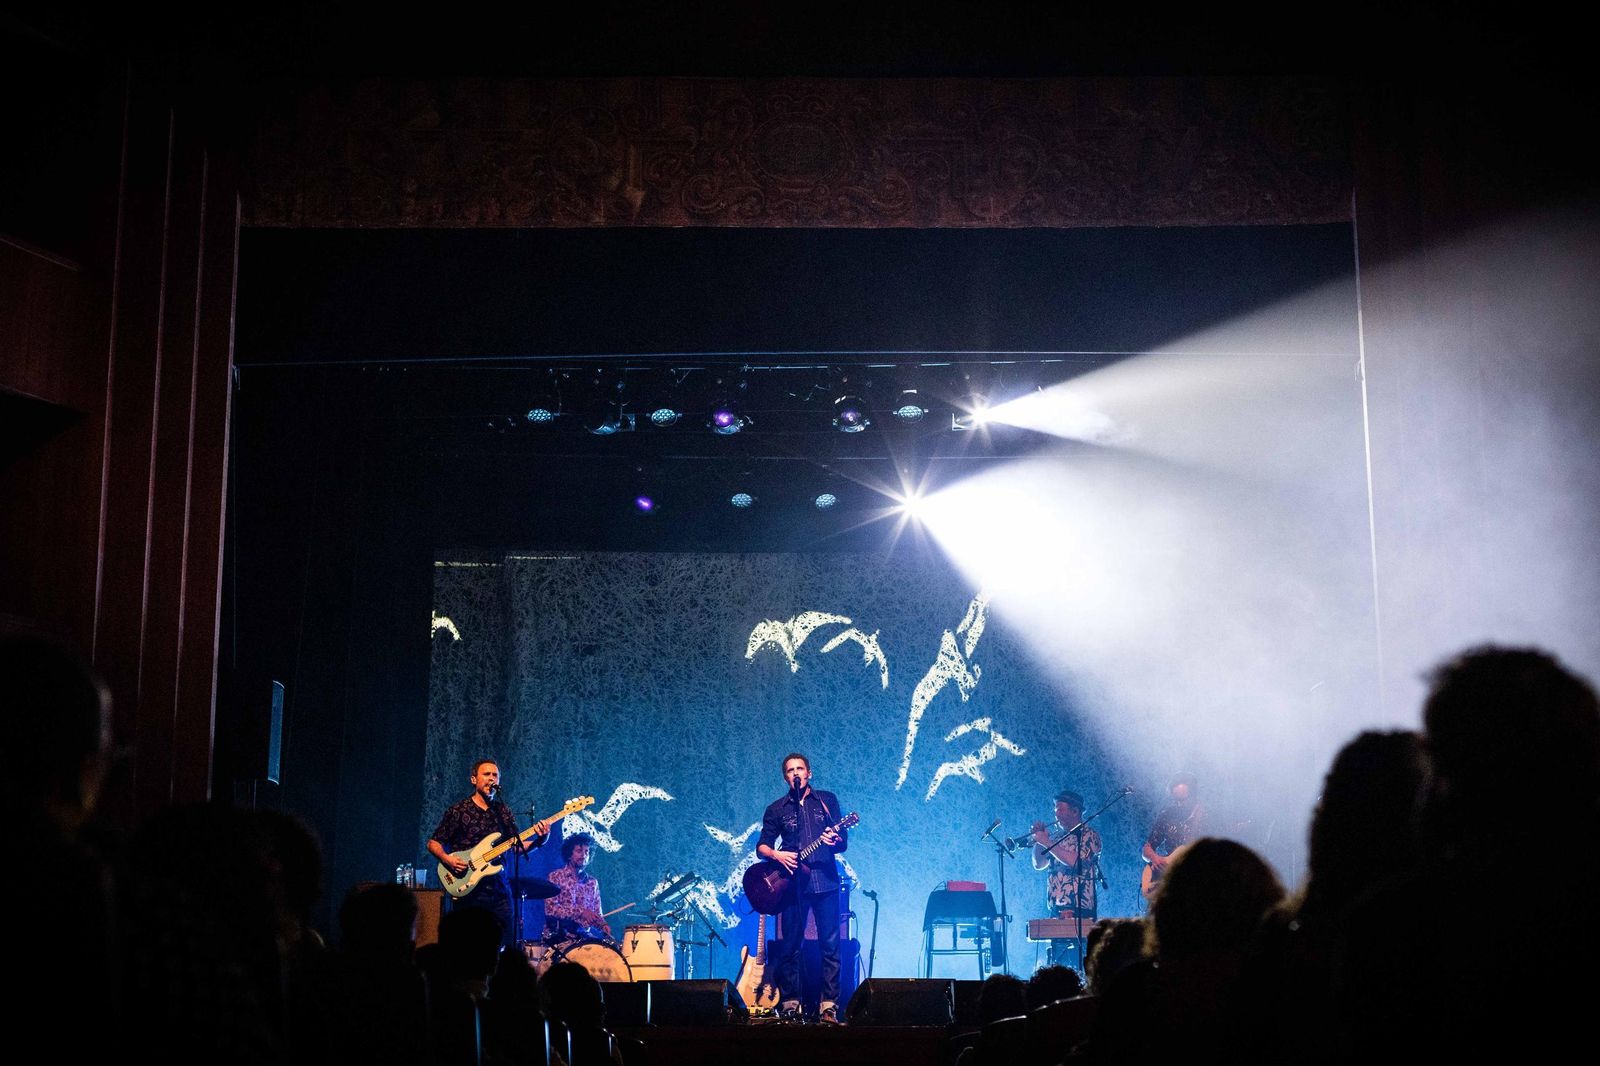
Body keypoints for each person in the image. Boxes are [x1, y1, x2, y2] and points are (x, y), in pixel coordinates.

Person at [756, 752, 848, 1024]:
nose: (796, 773)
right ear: (785, 777)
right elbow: (762, 846)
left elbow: (842, 841)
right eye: (790, 770)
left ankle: (828, 1006)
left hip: (827, 883)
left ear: (809, 773)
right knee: (790, 947)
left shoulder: (826, 801)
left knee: (830, 945)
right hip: (792, 886)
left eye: (800, 768)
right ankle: (789, 1004)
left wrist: (835, 840)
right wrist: (777, 855)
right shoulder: (776, 809)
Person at [428, 759, 549, 949]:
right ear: (474, 779)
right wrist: (448, 859)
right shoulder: (458, 811)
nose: (491, 778)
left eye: (495, 775)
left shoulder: (503, 812)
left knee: (508, 943)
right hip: (468, 889)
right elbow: (434, 842)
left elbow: (515, 846)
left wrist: (540, 840)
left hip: (499, 889)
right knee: (468, 945)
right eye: (487, 774)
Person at [1032, 788, 1103, 966]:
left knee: (1083, 961)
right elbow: (1038, 864)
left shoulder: (1089, 835)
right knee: (1058, 963)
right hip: (1056, 909)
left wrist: (1047, 842)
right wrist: (1038, 842)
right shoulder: (1056, 836)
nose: (1056, 813)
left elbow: (1075, 862)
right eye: (1055, 809)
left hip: (1081, 908)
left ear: (1075, 811)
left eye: (1060, 809)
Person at [1140, 774, 1204, 901]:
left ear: (1193, 795)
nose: (1179, 803)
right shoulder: (1167, 815)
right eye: (1176, 799)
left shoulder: (1207, 816)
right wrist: (1155, 858)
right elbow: (1146, 849)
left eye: (1183, 799)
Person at [545, 832, 610, 940]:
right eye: (579, 851)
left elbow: (596, 915)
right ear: (569, 854)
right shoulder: (555, 877)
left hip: (582, 938)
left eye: (587, 852)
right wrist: (581, 912)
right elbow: (551, 910)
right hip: (558, 937)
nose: (583, 855)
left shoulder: (592, 882)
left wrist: (603, 925)